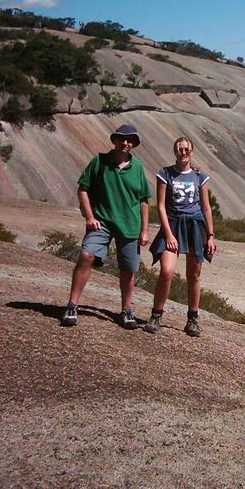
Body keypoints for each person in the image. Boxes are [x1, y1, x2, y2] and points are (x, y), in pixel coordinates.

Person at [60, 123, 151, 329]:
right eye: (122, 139)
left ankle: (126, 311)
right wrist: (89, 216)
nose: (126, 143)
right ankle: (72, 305)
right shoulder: (99, 161)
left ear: (133, 144)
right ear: (115, 140)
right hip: (103, 222)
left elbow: (144, 199)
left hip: (129, 224)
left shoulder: (137, 167)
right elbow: (83, 189)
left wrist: (145, 229)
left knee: (128, 269)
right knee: (86, 256)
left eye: (130, 140)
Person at [145, 136, 217, 337]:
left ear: (192, 151)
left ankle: (192, 319)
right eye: (179, 149)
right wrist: (168, 234)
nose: (182, 152)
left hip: (195, 226)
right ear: (175, 152)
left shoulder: (200, 176)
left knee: (194, 275)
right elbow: (160, 206)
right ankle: (156, 315)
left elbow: (206, 207)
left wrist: (210, 236)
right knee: (166, 272)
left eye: (186, 149)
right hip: (173, 225)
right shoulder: (165, 173)